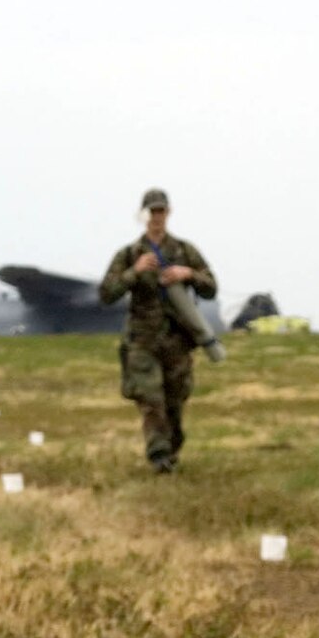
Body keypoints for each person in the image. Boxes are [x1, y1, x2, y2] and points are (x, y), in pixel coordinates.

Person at [99, 188, 218, 473]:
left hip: (177, 340)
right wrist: (134, 272)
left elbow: (211, 287)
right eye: (152, 211)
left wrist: (187, 274)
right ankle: (159, 455)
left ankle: (171, 448)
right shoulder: (129, 254)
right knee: (151, 400)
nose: (156, 217)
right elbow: (106, 293)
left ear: (168, 212)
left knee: (174, 403)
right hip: (143, 340)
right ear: (143, 215)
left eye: (161, 211)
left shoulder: (184, 251)